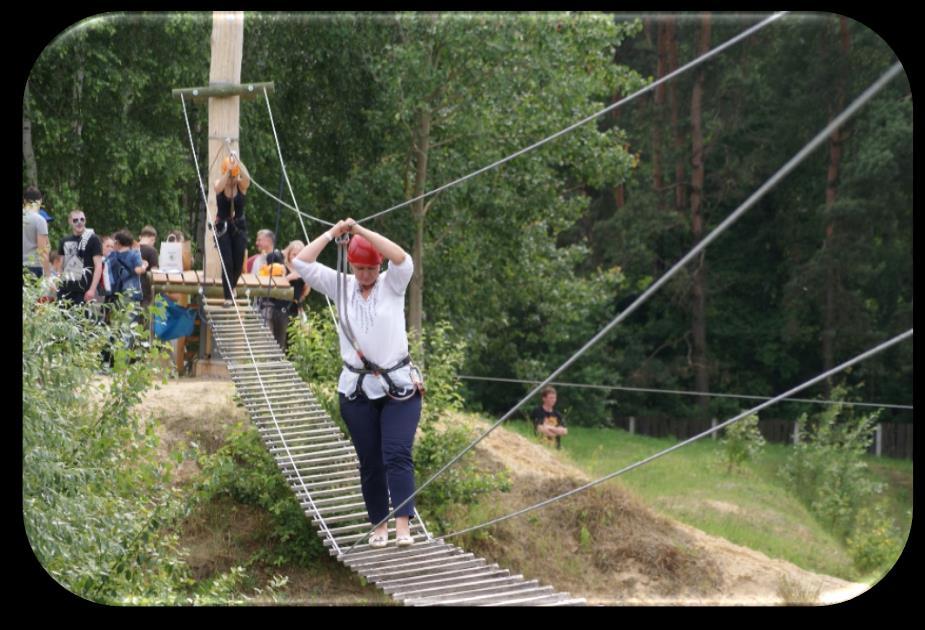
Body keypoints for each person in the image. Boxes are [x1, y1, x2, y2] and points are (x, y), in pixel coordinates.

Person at [292, 218, 422, 548]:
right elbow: (300, 262)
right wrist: (333, 234)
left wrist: (362, 231)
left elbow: (403, 258)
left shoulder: (392, 284)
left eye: (370, 269)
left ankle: (403, 524)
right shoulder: (341, 285)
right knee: (370, 459)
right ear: (352, 266)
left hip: (398, 388)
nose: (365, 275)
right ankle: (378, 523)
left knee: (397, 453)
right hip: (357, 390)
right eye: (360, 268)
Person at [213, 152, 250, 307]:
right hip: (223, 228)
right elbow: (217, 187)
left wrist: (238, 164)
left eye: (235, 176)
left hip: (239, 228)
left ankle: (232, 286)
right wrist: (228, 172)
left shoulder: (241, 186)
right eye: (231, 176)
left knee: (238, 262)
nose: (233, 179)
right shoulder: (220, 185)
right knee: (227, 262)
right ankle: (228, 297)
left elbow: (247, 179)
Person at [57, 210, 103, 305]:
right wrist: (58, 285)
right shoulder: (64, 240)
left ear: (85, 221)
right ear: (70, 222)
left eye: (82, 219)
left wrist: (92, 289)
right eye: (75, 220)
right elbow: (60, 266)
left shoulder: (93, 239)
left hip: (85, 291)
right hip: (65, 290)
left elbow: (98, 266)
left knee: (85, 319)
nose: (79, 222)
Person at [109, 229, 147, 303]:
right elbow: (138, 270)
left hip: (114, 291)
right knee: (130, 313)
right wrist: (144, 267)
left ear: (118, 242)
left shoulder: (112, 255)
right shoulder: (134, 254)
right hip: (131, 291)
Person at [22, 186, 50, 278]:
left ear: (24, 200)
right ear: (40, 201)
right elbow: (42, 251)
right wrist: (48, 276)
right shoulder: (39, 220)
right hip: (32, 268)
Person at [283, 240, 311, 319]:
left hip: (297, 307)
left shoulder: (303, 270)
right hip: (283, 306)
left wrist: (307, 283)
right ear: (288, 254)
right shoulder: (283, 267)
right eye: (294, 255)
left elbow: (304, 294)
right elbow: (276, 285)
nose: (296, 257)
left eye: (299, 255)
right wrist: (288, 278)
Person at [137, 225, 159, 309]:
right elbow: (154, 273)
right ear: (152, 238)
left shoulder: (132, 248)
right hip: (144, 292)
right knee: (143, 320)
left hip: (130, 290)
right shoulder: (152, 251)